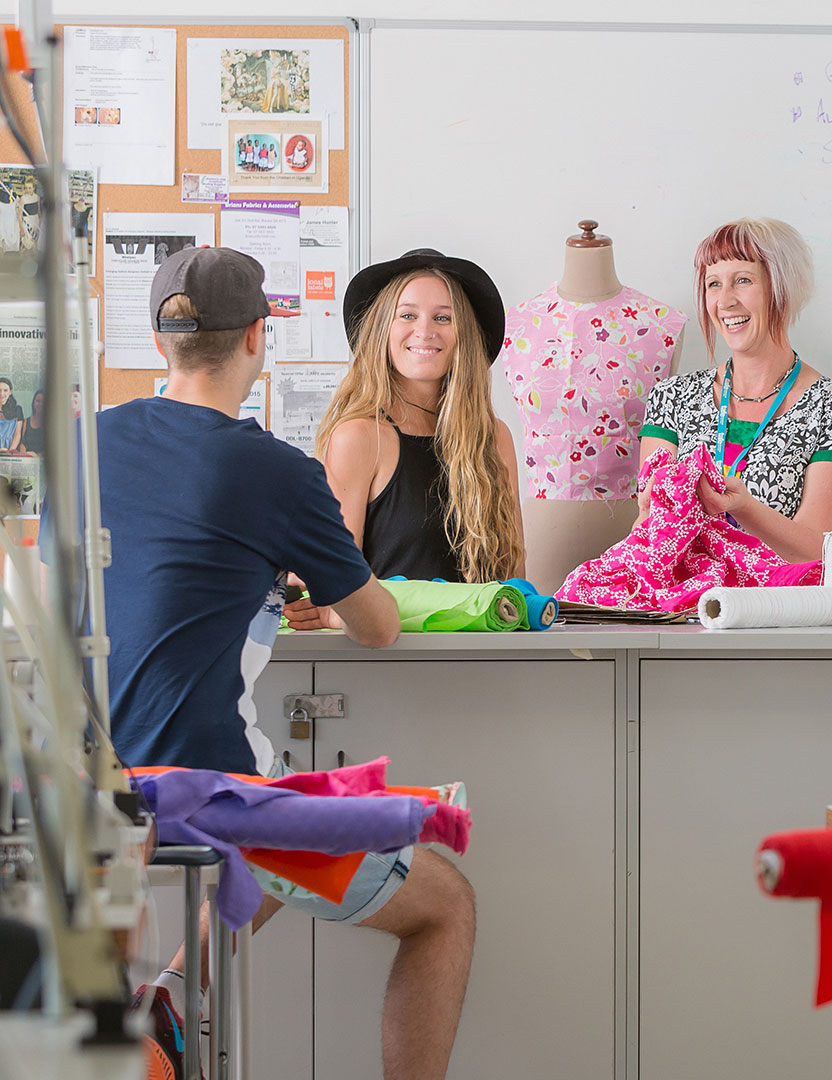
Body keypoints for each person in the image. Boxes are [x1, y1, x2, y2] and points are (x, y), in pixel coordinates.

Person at [103, 248, 474, 1080]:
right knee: (444, 904)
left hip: (93, 788)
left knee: (294, 796)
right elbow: (375, 625)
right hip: (209, 795)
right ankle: (165, 1010)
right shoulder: (275, 468)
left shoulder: (89, 439)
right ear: (258, 339)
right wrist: (294, 567)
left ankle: (165, 1008)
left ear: (159, 338)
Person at [296, 249, 523, 625]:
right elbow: (336, 591)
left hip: (485, 657)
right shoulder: (359, 436)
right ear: (382, 329)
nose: (425, 330)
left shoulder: (495, 438)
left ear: (463, 334)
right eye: (407, 315)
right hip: (386, 656)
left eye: (442, 317)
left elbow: (513, 585)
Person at [635, 217, 832, 563]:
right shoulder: (671, 398)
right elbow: (646, 534)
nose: (725, 301)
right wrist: (651, 514)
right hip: (679, 610)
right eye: (713, 284)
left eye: (742, 280)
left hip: (774, 612)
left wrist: (743, 507)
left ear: (783, 288)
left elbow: (814, 552)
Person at [20, 389, 44, 455]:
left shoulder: (50, 424)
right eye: (37, 401)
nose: (40, 404)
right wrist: (24, 454)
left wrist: (35, 456)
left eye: (43, 401)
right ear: (33, 403)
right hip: (27, 458)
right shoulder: (26, 421)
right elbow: (23, 443)